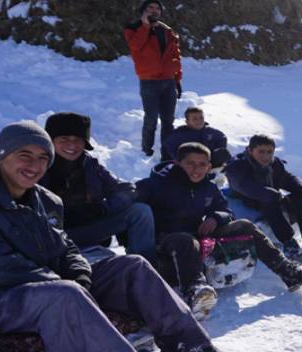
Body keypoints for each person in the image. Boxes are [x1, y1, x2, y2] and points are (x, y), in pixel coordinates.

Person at [0, 122, 246, 352]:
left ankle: (187, 345)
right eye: (23, 155)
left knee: (131, 266)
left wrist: (80, 275)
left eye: (43, 158)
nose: (34, 164)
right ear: (1, 157)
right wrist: (70, 286)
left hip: (39, 287)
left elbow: (65, 248)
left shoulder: (46, 201)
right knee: (64, 294)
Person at [137, 142, 302, 318]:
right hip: (166, 241)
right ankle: (195, 290)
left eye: (202, 164)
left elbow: (225, 210)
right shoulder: (157, 184)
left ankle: (288, 272)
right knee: (185, 240)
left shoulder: (208, 187)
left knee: (244, 225)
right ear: (178, 163)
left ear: (209, 166)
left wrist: (216, 217)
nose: (196, 169)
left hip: (197, 233)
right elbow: (131, 205)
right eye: (190, 164)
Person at [40, 112, 156, 263]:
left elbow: (126, 189)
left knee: (140, 211)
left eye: (78, 139)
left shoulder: (90, 165)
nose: (72, 145)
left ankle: (146, 268)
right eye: (64, 139)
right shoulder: (38, 165)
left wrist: (102, 209)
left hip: (89, 229)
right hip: (52, 235)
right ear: (51, 141)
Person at [225, 135, 302, 258]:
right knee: (269, 202)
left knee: (301, 197)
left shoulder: (274, 164)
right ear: (250, 150)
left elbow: (286, 178)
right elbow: (243, 185)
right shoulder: (237, 166)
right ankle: (288, 242)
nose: (266, 156)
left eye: (269, 152)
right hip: (248, 201)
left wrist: (300, 186)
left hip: (272, 197)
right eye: (261, 152)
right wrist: (269, 193)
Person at [123, 0, 182, 157]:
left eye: (157, 8)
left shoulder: (167, 30)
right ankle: (146, 150)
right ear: (143, 10)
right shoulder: (133, 28)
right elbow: (135, 47)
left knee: (168, 120)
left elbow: (175, 56)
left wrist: (177, 79)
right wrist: (145, 26)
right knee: (151, 119)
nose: (154, 10)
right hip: (149, 81)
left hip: (168, 81)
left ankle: (167, 152)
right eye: (150, 7)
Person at [161, 106, 232, 166]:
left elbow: (222, 138)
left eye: (201, 118)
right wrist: (179, 160)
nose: (199, 121)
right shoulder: (180, 134)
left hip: (208, 162)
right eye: (194, 119)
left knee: (223, 153)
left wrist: (217, 150)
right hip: (190, 165)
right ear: (187, 122)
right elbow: (168, 145)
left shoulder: (210, 131)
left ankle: (216, 175)